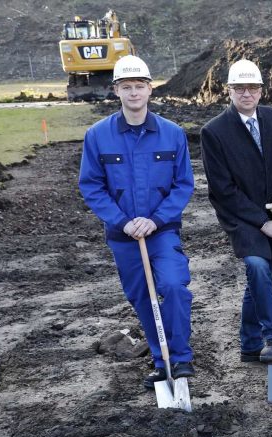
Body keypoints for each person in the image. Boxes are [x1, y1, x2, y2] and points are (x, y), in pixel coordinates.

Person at [78, 55, 195, 388]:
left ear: (149, 90)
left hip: (162, 232)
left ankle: (181, 359)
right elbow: (91, 185)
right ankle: (162, 362)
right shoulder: (98, 135)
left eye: (139, 86)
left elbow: (183, 184)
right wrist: (123, 221)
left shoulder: (172, 134)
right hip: (123, 235)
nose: (133, 93)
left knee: (173, 286)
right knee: (142, 297)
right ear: (116, 91)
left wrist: (155, 220)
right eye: (126, 87)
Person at [200, 59, 272, 364]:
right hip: (242, 218)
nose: (247, 93)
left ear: (261, 90)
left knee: (261, 280)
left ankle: (248, 344)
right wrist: (261, 222)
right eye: (240, 88)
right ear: (229, 91)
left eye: (253, 88)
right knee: (258, 267)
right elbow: (222, 189)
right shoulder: (214, 132)